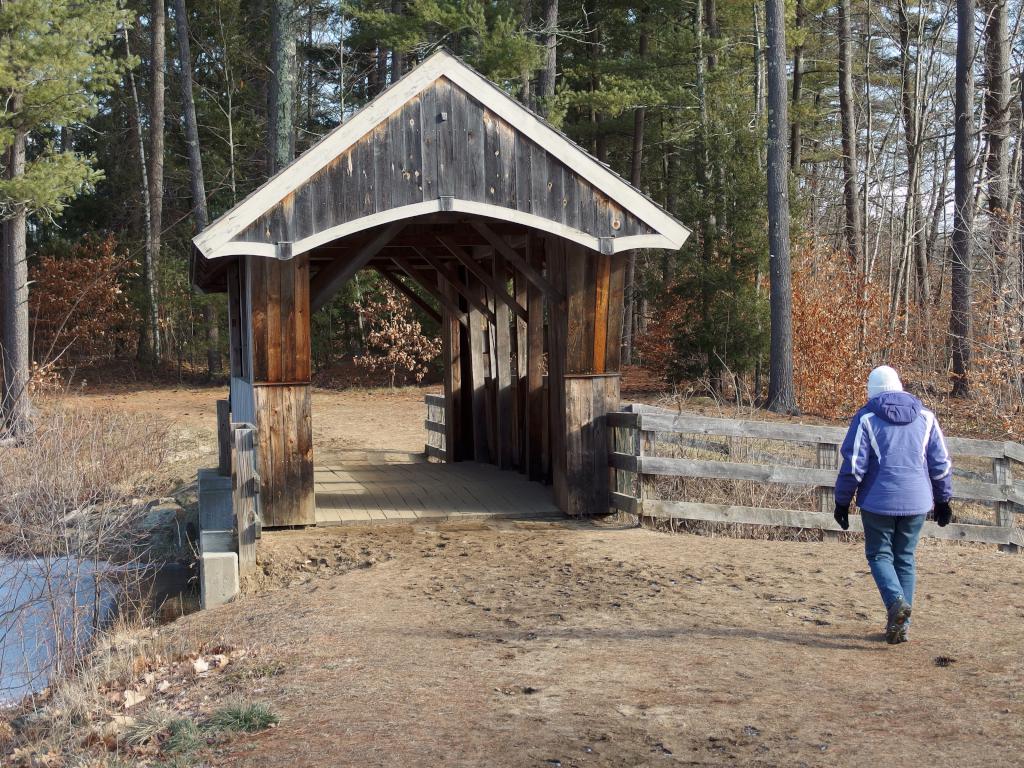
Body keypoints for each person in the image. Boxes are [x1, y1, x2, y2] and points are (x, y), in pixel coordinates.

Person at [832, 365, 953, 644]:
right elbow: (940, 465)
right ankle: (902, 626)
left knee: (879, 556)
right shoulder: (926, 417)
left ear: (871, 392)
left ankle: (896, 602)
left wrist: (841, 502)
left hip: (879, 501)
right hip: (917, 501)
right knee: (905, 559)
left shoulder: (866, 419)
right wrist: (944, 499)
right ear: (899, 386)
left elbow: (854, 467)